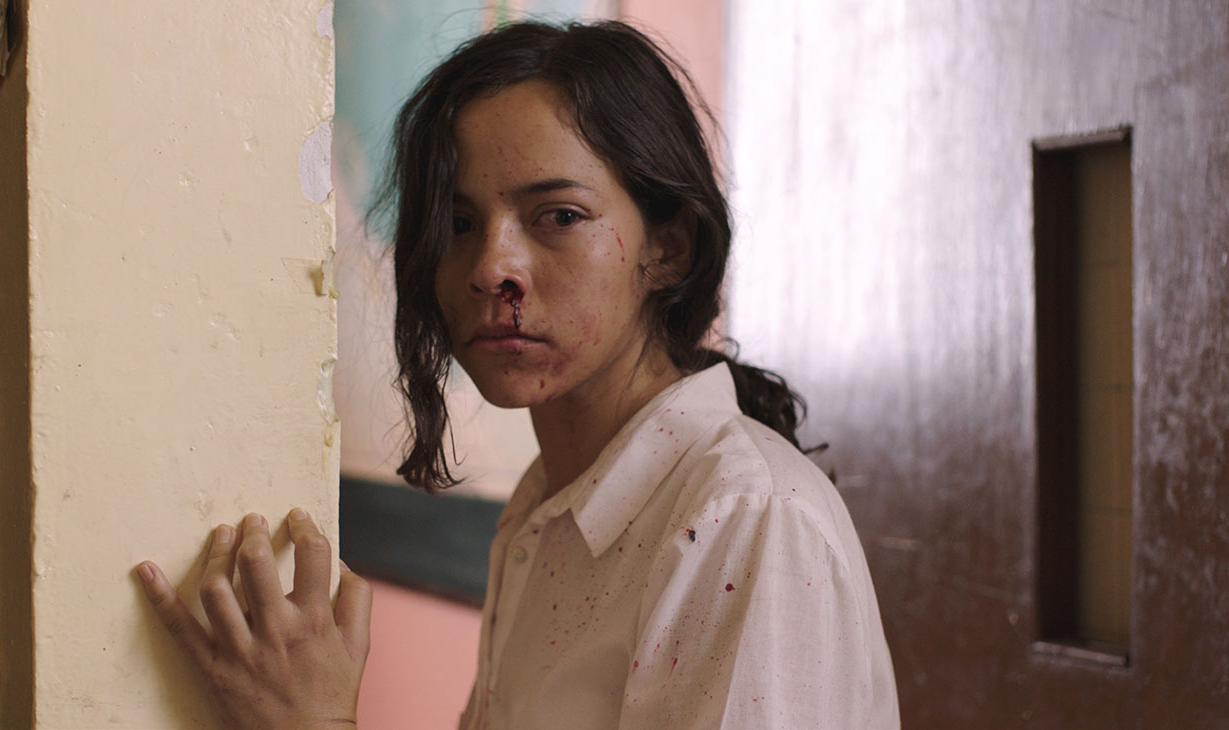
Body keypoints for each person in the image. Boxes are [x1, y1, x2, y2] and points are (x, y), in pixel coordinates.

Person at [137, 19, 899, 729]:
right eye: (458, 224)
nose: (491, 267)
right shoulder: (550, 504)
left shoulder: (746, 520)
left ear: (669, 247)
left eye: (559, 216)